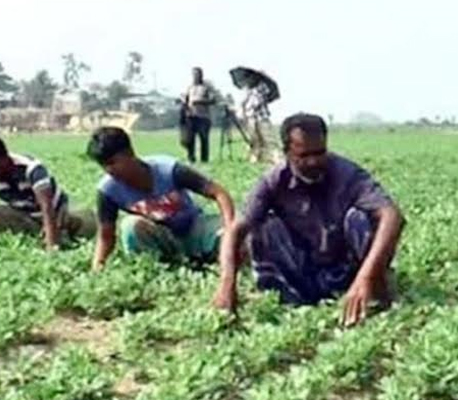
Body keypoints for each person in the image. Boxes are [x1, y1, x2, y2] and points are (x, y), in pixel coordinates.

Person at [213, 113, 404, 327]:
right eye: (303, 155)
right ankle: (289, 298)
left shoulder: (346, 173)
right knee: (264, 227)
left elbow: (392, 215)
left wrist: (365, 277)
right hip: (303, 271)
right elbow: (234, 230)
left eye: (319, 152)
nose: (313, 161)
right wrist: (227, 284)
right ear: (286, 153)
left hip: (345, 269)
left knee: (359, 219)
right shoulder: (273, 181)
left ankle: (372, 292)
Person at [86, 127, 236, 270]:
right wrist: (98, 267)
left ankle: (209, 256)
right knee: (130, 225)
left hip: (193, 227)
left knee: (237, 235)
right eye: (103, 165)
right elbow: (106, 236)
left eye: (113, 162)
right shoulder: (108, 191)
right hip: (161, 237)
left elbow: (219, 193)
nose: (109, 170)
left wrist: (230, 229)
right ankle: (164, 264)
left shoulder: (169, 169)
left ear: (130, 153)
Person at [0, 137, 95, 249]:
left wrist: (51, 246)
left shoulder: (31, 168)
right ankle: (41, 234)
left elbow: (47, 207)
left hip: (56, 212)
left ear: (4, 159)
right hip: (24, 214)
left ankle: (58, 233)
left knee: (70, 230)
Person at [181, 67, 215, 163]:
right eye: (194, 74)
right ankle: (191, 158)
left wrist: (201, 101)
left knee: (204, 139)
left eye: (197, 74)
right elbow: (186, 99)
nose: (195, 76)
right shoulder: (190, 88)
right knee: (190, 139)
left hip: (203, 117)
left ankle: (204, 159)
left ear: (201, 75)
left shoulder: (206, 87)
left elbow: (213, 100)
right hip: (191, 116)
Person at [241, 81, 270, 163]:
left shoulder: (261, 88)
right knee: (253, 138)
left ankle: (262, 156)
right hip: (251, 116)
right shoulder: (247, 91)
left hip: (260, 117)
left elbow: (259, 103)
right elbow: (244, 104)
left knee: (263, 138)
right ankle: (254, 157)